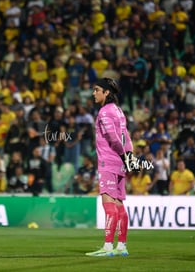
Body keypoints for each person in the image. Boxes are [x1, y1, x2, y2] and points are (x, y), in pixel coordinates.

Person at [85, 78, 133, 257]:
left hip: (108, 162)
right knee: (119, 204)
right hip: (120, 164)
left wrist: (121, 154)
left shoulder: (104, 112)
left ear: (106, 93)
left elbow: (114, 138)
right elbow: (126, 137)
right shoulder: (119, 111)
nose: (93, 93)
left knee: (108, 204)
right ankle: (121, 246)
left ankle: (107, 247)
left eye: (97, 90)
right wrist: (128, 156)